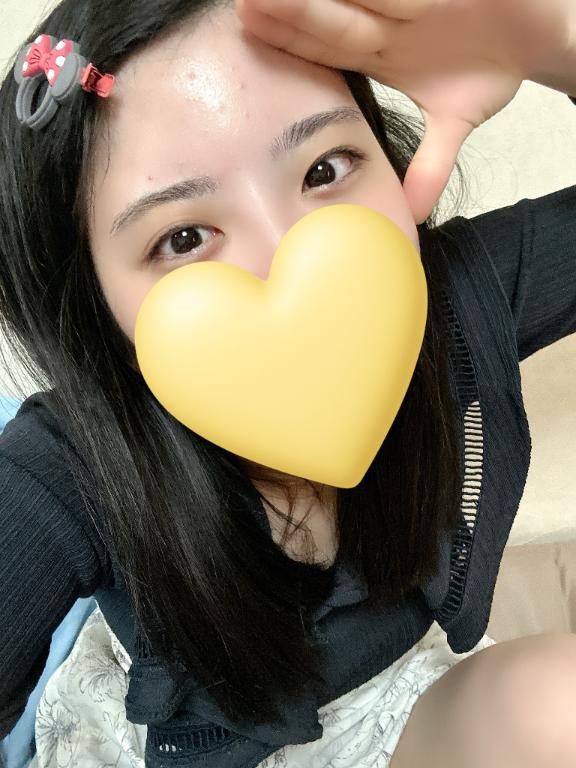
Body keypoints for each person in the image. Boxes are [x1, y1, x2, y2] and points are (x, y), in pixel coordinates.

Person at [0, 0, 575, 766]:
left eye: (323, 170)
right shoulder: (67, 464)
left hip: (398, 707)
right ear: (95, 305)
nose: (288, 256)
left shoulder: (450, 300)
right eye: (183, 237)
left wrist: (558, 45)